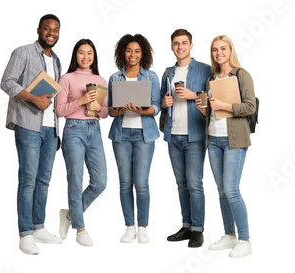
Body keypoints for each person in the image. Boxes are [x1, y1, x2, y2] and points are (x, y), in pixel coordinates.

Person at [0, 14, 63, 255]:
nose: (51, 32)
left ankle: (39, 227)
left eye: (56, 29)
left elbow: (54, 97)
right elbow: (7, 82)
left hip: (49, 129)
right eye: (47, 28)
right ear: (39, 30)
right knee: (28, 180)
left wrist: (56, 131)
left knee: (43, 181)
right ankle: (25, 233)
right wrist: (32, 97)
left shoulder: (56, 60)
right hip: (28, 125)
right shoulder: (23, 52)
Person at [195, 35, 255, 258]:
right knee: (221, 191)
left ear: (230, 50)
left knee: (231, 190)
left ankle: (245, 239)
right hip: (214, 139)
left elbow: (249, 106)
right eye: (214, 49)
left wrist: (224, 105)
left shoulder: (241, 75)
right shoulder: (210, 78)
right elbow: (211, 112)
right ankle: (229, 235)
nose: (218, 53)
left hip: (234, 140)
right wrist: (204, 110)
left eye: (223, 48)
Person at [160, 29, 213, 248]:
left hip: (195, 136)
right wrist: (164, 103)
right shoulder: (167, 72)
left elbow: (213, 102)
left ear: (191, 45)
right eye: (176, 43)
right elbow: (162, 103)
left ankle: (198, 230)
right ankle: (187, 225)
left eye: (184, 43)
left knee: (194, 184)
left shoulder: (205, 70)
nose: (180, 47)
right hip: (173, 135)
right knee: (181, 184)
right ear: (172, 47)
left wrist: (194, 95)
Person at [108, 34, 160, 244]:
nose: (133, 55)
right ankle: (129, 226)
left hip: (144, 135)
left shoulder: (151, 77)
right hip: (121, 135)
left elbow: (156, 106)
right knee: (124, 183)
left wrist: (143, 110)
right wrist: (119, 109)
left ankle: (143, 227)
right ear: (123, 52)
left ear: (143, 54)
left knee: (142, 184)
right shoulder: (115, 78)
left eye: (137, 51)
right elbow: (110, 110)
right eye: (129, 50)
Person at [56, 39, 108, 247]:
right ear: (75, 55)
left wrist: (96, 106)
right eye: (81, 53)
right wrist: (81, 101)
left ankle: (69, 215)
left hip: (94, 130)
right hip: (74, 130)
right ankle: (80, 229)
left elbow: (104, 113)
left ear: (94, 56)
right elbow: (59, 110)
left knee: (100, 181)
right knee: (75, 182)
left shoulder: (100, 79)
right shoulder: (66, 78)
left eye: (89, 53)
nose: (85, 57)